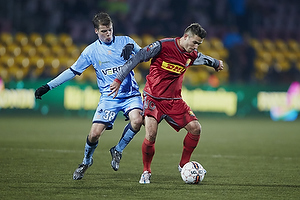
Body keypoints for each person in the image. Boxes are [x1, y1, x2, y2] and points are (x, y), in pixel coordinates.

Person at [109, 23, 224, 184]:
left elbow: (202, 58)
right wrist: (118, 79)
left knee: (196, 129)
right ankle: (146, 172)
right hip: (153, 98)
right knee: (151, 134)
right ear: (186, 37)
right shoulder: (162, 46)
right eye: (195, 42)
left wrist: (216, 63)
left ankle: (183, 165)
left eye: (199, 44)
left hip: (174, 101)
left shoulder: (191, 54)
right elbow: (137, 57)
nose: (196, 46)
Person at [35, 12, 143, 180]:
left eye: (110, 30)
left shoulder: (126, 41)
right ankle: (86, 161)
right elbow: (72, 71)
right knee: (94, 135)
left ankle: (118, 150)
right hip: (108, 98)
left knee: (137, 120)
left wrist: (136, 54)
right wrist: (48, 86)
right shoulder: (91, 51)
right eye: (104, 31)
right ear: (95, 31)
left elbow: (147, 55)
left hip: (130, 94)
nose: (108, 34)